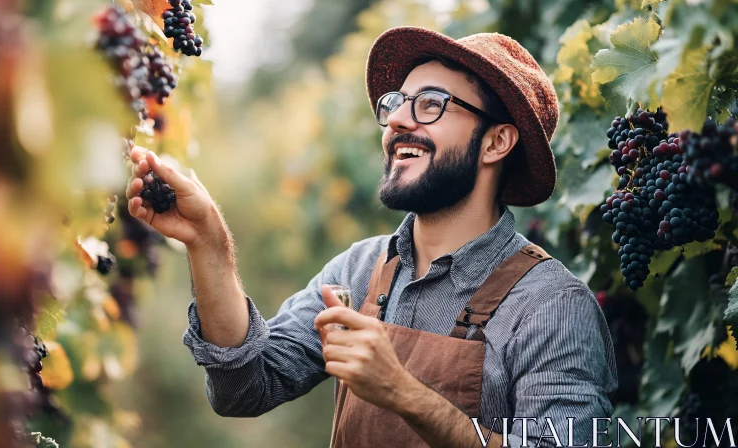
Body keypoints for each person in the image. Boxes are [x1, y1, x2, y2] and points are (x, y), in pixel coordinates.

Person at [125, 26, 618, 448]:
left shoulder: (552, 305)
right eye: (397, 104)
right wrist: (208, 244)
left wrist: (405, 393)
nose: (399, 119)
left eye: (430, 105)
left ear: (496, 142)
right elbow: (245, 388)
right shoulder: (359, 272)